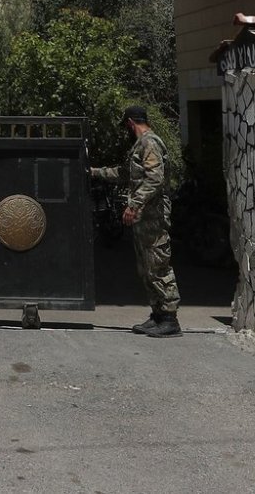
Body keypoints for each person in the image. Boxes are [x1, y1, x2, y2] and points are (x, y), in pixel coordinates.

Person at [90, 105, 182, 337]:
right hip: (145, 219)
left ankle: (170, 319)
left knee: (158, 264)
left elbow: (155, 179)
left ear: (131, 122)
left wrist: (134, 205)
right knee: (147, 268)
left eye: (126, 126)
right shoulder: (139, 146)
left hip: (154, 217)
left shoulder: (150, 143)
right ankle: (158, 315)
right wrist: (93, 172)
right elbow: (124, 173)